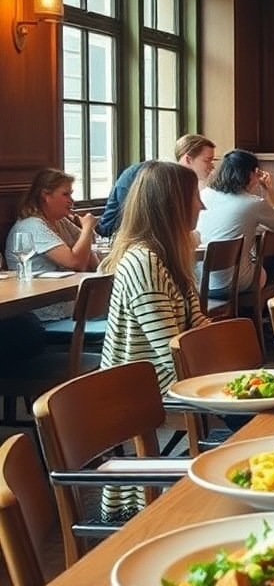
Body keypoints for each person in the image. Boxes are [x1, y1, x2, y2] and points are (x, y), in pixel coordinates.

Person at [99, 161, 209, 394]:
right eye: (195, 197)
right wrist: (224, 372)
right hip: (144, 391)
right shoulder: (143, 262)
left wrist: (228, 352)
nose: (202, 206)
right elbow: (171, 354)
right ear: (173, 205)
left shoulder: (170, 254)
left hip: (173, 378)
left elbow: (197, 322)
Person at [4, 168, 99, 322]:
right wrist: (87, 228)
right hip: (45, 312)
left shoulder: (60, 221)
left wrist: (86, 235)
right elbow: (76, 263)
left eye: (71, 194)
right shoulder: (32, 225)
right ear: (45, 195)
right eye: (65, 194)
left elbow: (92, 261)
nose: (71, 201)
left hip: (72, 303)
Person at [196, 149, 274, 295]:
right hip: (234, 283)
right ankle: (272, 307)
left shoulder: (204, 194)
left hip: (200, 283)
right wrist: (268, 190)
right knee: (269, 264)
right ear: (251, 174)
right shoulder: (252, 203)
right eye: (256, 172)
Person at [98, 133, 216, 238]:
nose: (212, 166)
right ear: (188, 159)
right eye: (207, 160)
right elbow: (136, 225)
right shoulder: (154, 178)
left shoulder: (182, 183)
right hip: (117, 238)